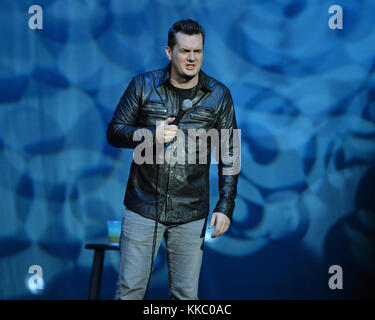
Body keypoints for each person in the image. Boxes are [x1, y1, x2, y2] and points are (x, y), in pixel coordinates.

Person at [106, 18, 239, 300]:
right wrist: (149, 134)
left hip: (190, 212)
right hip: (143, 206)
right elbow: (114, 132)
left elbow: (229, 153)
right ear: (169, 52)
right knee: (128, 292)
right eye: (184, 51)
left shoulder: (218, 95)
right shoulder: (143, 85)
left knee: (185, 296)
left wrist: (226, 205)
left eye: (198, 51)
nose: (191, 58)